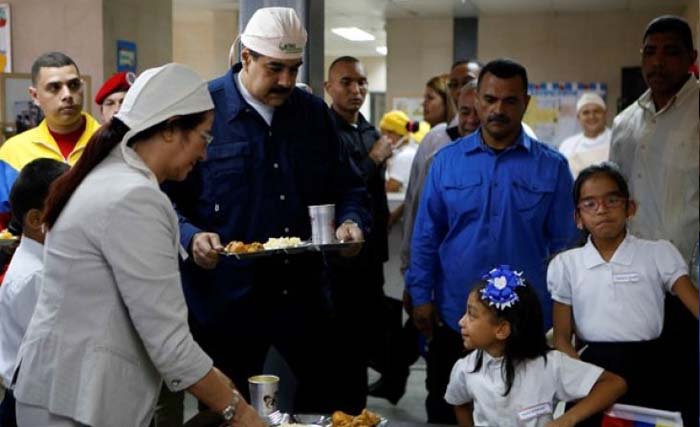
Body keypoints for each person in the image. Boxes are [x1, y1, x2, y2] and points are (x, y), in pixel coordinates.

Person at [11, 63, 263, 427]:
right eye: (204, 138)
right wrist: (240, 413)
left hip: (62, 392)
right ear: (171, 129)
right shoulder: (134, 197)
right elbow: (169, 343)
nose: (205, 154)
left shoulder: (110, 177)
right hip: (78, 402)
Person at [164, 7, 368, 414]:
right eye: (275, 68)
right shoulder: (203, 109)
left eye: (294, 69)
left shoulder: (312, 116)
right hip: (227, 303)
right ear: (246, 58)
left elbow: (349, 185)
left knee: (328, 405)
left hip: (303, 297)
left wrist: (351, 221)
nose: (287, 81)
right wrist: (189, 236)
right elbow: (164, 197)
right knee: (228, 411)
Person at [406, 59, 577, 423]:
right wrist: (420, 295)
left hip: (526, 325)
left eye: (510, 101)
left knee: (520, 415)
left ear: (526, 103)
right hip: (457, 318)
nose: (499, 109)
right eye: (490, 99)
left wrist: (566, 319)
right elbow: (426, 234)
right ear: (477, 101)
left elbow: (566, 248)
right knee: (447, 408)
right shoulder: (446, 162)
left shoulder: (553, 167)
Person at [547, 162, 698, 424]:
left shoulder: (658, 253)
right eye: (590, 204)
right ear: (578, 218)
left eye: (612, 200)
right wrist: (584, 378)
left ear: (630, 208)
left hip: (654, 369)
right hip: (594, 372)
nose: (602, 210)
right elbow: (562, 338)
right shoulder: (566, 264)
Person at [609, 15, 698, 422]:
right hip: (630, 286)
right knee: (636, 393)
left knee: (685, 392)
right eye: (650, 52)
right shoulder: (625, 123)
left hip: (689, 287)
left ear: (692, 58)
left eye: (670, 52)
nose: (658, 62)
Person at [446, 266, 627, 427]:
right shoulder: (465, 368)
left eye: (472, 315)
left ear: (502, 330)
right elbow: (459, 402)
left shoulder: (551, 365)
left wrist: (566, 420)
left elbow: (614, 384)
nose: (461, 322)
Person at [323, 55, 391, 411]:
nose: (356, 89)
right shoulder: (325, 131)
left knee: (366, 337)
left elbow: (372, 197)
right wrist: (374, 160)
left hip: (372, 255)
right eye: (347, 82)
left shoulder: (368, 129)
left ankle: (358, 411)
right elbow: (342, 188)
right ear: (329, 87)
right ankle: (341, 410)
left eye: (362, 82)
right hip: (340, 260)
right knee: (341, 343)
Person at [0, 159, 69, 427]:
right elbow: (50, 355)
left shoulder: (42, 262)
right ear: (35, 219)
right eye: (67, 207)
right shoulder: (36, 277)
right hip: (30, 401)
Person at [0, 52, 100, 232]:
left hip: (101, 253)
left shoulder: (109, 143)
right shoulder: (12, 151)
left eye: (74, 85)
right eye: (54, 87)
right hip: (34, 255)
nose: (67, 95)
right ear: (35, 95)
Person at [400, 81, 481, 278]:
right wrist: (411, 271)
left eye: (477, 112)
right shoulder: (439, 153)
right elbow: (418, 214)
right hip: (447, 274)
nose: (471, 119)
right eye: (464, 111)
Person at [558, 92, 611, 177]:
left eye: (597, 111)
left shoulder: (616, 140)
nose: (592, 116)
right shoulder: (567, 146)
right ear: (578, 117)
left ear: (605, 114)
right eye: (586, 112)